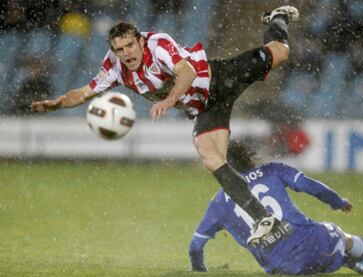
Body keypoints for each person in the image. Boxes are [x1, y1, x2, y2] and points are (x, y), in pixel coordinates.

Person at [31, 5, 300, 247]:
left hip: (220, 78)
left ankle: (277, 18)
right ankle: (266, 221)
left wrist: (171, 100)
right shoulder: (114, 66)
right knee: (211, 158)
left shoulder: (158, 44)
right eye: (120, 49)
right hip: (205, 108)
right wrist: (56, 103)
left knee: (281, 52)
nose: (126, 54)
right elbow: (84, 93)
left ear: (140, 40)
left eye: (129, 46)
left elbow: (187, 72)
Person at [189, 142, 363, 275]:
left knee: (301, 253)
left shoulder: (217, 203)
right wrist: (337, 202)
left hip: (282, 268)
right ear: (247, 157)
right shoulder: (272, 170)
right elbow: (312, 187)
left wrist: (199, 270)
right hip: (316, 245)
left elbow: (195, 247)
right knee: (337, 234)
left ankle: (351, 262)